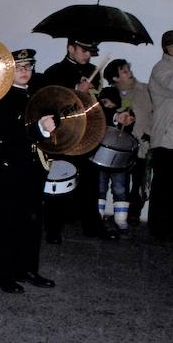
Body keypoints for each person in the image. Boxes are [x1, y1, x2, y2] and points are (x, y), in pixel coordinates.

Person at [0, 49, 56, 293]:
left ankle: (27, 269)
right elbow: (9, 131)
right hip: (8, 168)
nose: (25, 70)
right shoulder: (0, 97)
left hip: (33, 167)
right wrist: (40, 128)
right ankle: (2, 274)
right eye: (19, 66)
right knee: (6, 222)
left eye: (28, 66)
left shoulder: (37, 95)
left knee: (32, 221)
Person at [42, 37, 110, 242]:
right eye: (83, 50)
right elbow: (49, 106)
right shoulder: (54, 72)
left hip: (87, 135)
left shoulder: (93, 73)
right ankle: (53, 230)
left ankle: (92, 225)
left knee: (90, 181)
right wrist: (75, 92)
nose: (88, 55)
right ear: (70, 48)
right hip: (64, 136)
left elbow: (95, 107)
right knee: (59, 181)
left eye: (90, 52)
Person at [103, 58, 153, 225]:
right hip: (119, 147)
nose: (129, 72)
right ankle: (118, 214)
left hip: (143, 145)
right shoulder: (110, 95)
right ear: (115, 78)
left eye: (128, 69)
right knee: (119, 183)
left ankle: (133, 215)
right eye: (124, 71)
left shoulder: (146, 90)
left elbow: (155, 114)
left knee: (140, 182)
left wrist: (150, 134)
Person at [95, 79, 137, 236]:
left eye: (109, 102)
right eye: (103, 102)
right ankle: (97, 218)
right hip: (100, 159)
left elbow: (128, 123)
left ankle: (121, 219)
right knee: (99, 189)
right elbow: (105, 115)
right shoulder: (99, 114)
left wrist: (127, 119)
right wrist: (114, 115)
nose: (106, 105)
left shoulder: (125, 115)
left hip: (119, 161)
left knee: (120, 188)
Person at [148, 30, 173, 241]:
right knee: (163, 186)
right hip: (165, 139)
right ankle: (158, 230)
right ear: (167, 48)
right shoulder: (161, 69)